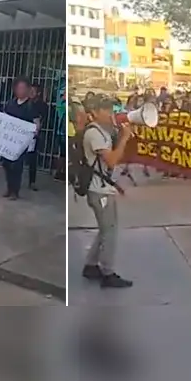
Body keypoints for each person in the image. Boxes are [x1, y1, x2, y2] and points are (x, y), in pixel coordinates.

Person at [81, 98, 134, 288]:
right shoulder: (94, 133)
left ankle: (91, 265)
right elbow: (111, 160)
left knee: (105, 229)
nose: (111, 113)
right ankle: (107, 272)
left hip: (103, 187)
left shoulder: (102, 131)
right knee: (110, 231)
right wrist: (125, 138)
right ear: (95, 112)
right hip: (99, 191)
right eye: (107, 110)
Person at [2, 77, 41, 199]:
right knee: (6, 164)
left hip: (21, 142)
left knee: (17, 165)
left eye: (23, 88)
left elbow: (36, 122)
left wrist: (35, 131)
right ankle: (9, 188)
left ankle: (15, 191)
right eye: (18, 88)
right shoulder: (10, 103)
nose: (20, 90)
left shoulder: (31, 106)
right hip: (9, 140)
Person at [25, 83, 48, 192]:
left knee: (33, 159)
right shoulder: (24, 103)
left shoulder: (42, 105)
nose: (31, 93)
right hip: (22, 133)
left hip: (34, 134)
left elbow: (42, 119)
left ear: (38, 93)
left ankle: (32, 182)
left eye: (33, 91)